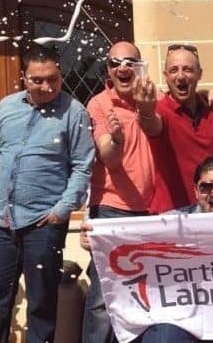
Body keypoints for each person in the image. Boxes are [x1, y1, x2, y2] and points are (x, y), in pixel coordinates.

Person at [0, 44, 94, 343]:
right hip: (0, 222)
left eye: (53, 79)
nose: (47, 86)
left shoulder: (74, 111)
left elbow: (82, 165)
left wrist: (62, 210)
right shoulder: (6, 107)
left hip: (43, 223)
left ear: (61, 76)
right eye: (37, 80)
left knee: (42, 305)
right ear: (24, 78)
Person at [79, 155, 213, 343]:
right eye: (206, 187)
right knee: (164, 336)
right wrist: (97, 238)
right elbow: (131, 241)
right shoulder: (170, 223)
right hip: (182, 316)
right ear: (196, 191)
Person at [83, 40, 155, 343]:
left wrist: (205, 95)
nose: (122, 68)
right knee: (104, 297)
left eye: (130, 62)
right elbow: (108, 158)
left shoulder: (153, 100)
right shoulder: (99, 104)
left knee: (146, 294)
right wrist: (116, 138)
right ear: (108, 70)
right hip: (112, 210)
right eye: (115, 63)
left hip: (153, 212)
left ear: (140, 67)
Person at [136, 44, 213, 213]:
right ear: (165, 76)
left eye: (187, 69)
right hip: (172, 215)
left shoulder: (210, 107)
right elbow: (150, 124)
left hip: (208, 209)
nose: (180, 76)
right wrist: (145, 109)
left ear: (199, 73)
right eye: (173, 70)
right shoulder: (161, 110)